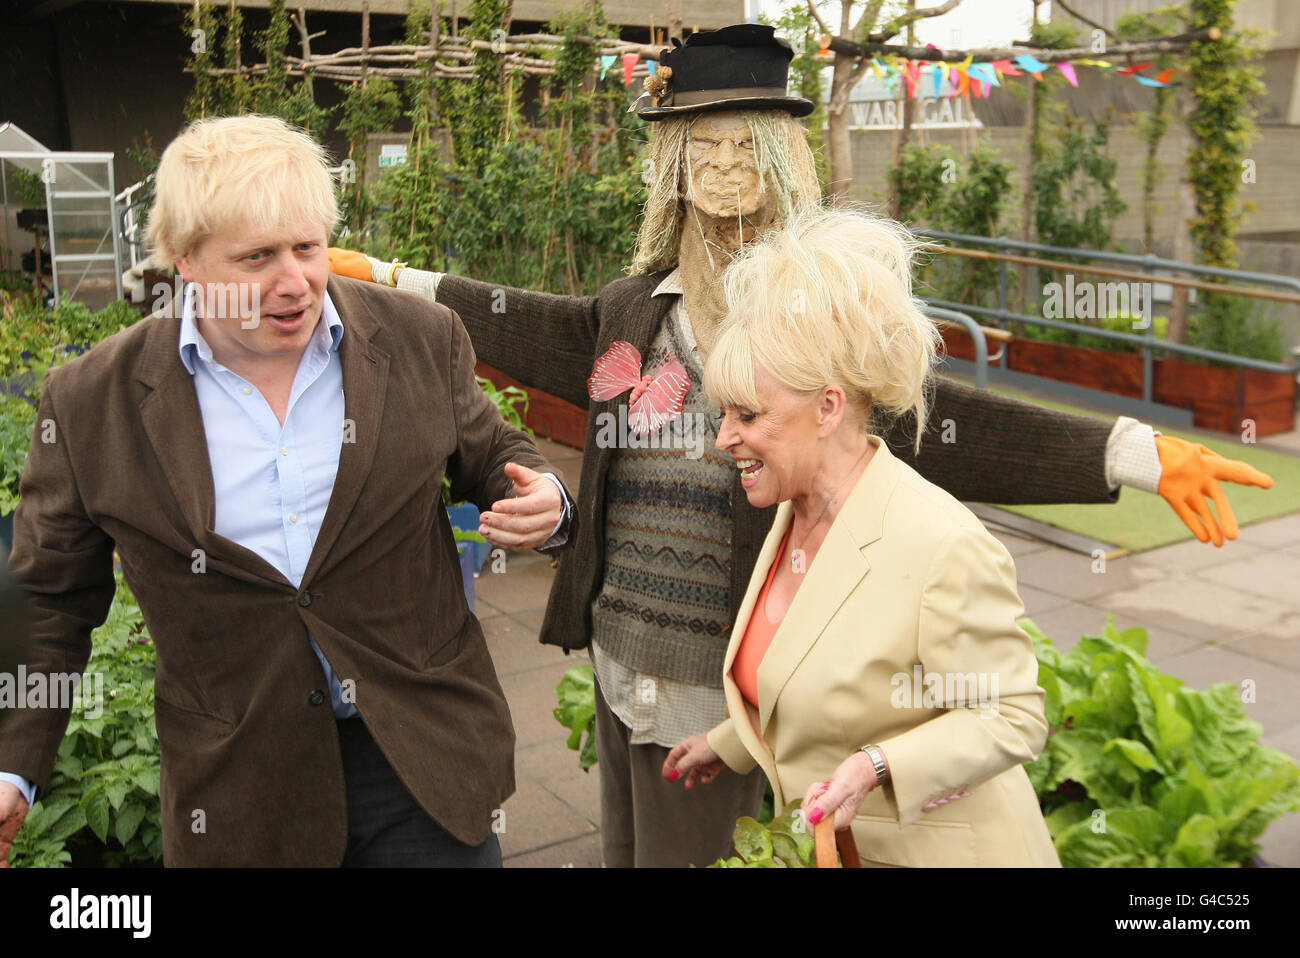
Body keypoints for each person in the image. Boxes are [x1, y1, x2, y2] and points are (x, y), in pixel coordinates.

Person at [327, 24, 1270, 867]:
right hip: (624, 675)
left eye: (749, 145)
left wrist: (1136, 454)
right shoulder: (629, 309)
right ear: (672, 164)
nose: (727, 167)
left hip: (739, 696)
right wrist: (384, 275)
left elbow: (948, 422)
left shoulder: (819, 321)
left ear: (784, 158)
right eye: (704, 146)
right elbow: (520, 322)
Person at [0, 114, 576, 867]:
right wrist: (14, 766)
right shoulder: (89, 401)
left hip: (422, 763)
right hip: (242, 792)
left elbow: (492, 454)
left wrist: (545, 502)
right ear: (185, 260)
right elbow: (49, 598)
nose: (295, 280)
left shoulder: (418, 338)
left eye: (308, 247)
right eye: (257, 257)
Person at [664, 206, 1060, 867]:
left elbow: (1014, 716)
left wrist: (875, 766)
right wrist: (731, 740)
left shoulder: (941, 544)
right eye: (722, 414)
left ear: (827, 407)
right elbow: (811, 672)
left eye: (748, 415)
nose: (723, 438)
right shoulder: (795, 514)